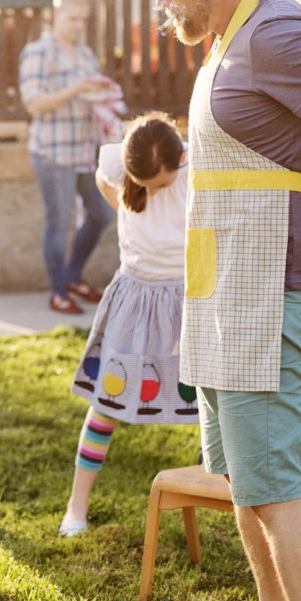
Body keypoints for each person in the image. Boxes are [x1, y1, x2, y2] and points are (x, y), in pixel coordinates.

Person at [147, 0, 301, 601]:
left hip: (275, 289)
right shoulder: (228, 43)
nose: (163, 4)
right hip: (230, 291)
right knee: (246, 481)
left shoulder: (276, 33)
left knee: (279, 488)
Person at [60, 111, 193, 537]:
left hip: (184, 297)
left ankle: (224, 489)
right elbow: (105, 179)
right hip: (134, 298)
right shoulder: (120, 164)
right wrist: (122, 205)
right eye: (147, 185)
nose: (154, 191)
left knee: (212, 401)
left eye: (162, 184)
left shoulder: (196, 164)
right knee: (107, 402)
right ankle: (76, 508)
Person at [19, 0, 117, 315]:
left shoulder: (86, 54)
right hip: (51, 152)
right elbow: (33, 104)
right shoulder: (39, 52)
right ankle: (58, 292)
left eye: (83, 20)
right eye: (73, 19)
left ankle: (74, 276)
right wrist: (76, 88)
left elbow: (87, 97)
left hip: (83, 152)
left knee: (102, 214)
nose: (79, 26)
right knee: (59, 223)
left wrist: (102, 96)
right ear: (56, 14)